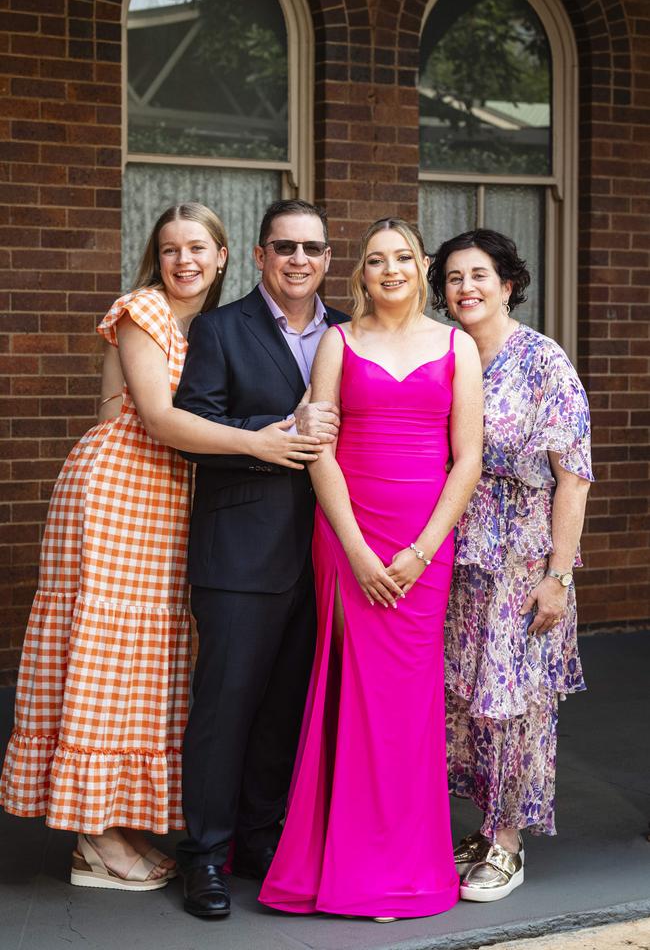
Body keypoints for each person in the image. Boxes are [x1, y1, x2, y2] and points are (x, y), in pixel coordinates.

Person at [0, 202, 321, 893]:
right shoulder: (141, 311)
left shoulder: (215, 323)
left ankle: (118, 823)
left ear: (226, 255)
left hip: (173, 497)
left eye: (199, 248)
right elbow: (160, 417)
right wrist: (262, 440)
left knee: (148, 669)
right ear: (157, 256)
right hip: (121, 492)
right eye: (172, 248)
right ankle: (96, 836)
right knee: (104, 657)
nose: (185, 261)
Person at [259, 217, 483, 921]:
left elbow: (467, 459)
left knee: (405, 707)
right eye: (377, 260)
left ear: (422, 269)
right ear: (361, 272)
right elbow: (317, 447)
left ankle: (402, 870)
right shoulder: (339, 341)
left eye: (403, 259)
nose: (391, 270)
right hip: (348, 535)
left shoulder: (457, 347)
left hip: (425, 544)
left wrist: (419, 551)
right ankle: (341, 868)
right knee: (348, 695)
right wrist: (355, 547)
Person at [172, 198, 348, 919]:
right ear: (259, 256)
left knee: (284, 712)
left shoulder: (349, 332)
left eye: (312, 249)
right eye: (285, 248)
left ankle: (259, 841)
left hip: (328, 554)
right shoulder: (220, 328)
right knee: (224, 710)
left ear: (328, 259)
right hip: (242, 554)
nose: (299, 260)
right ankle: (204, 856)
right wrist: (271, 433)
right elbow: (189, 425)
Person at [428, 228, 593, 902]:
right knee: (466, 698)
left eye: (479, 274)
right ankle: (482, 824)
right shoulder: (448, 354)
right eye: (454, 278)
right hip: (458, 548)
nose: (465, 288)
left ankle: (508, 844)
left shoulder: (543, 361)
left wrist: (558, 575)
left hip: (523, 557)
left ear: (508, 283)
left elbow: (574, 476)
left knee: (515, 700)